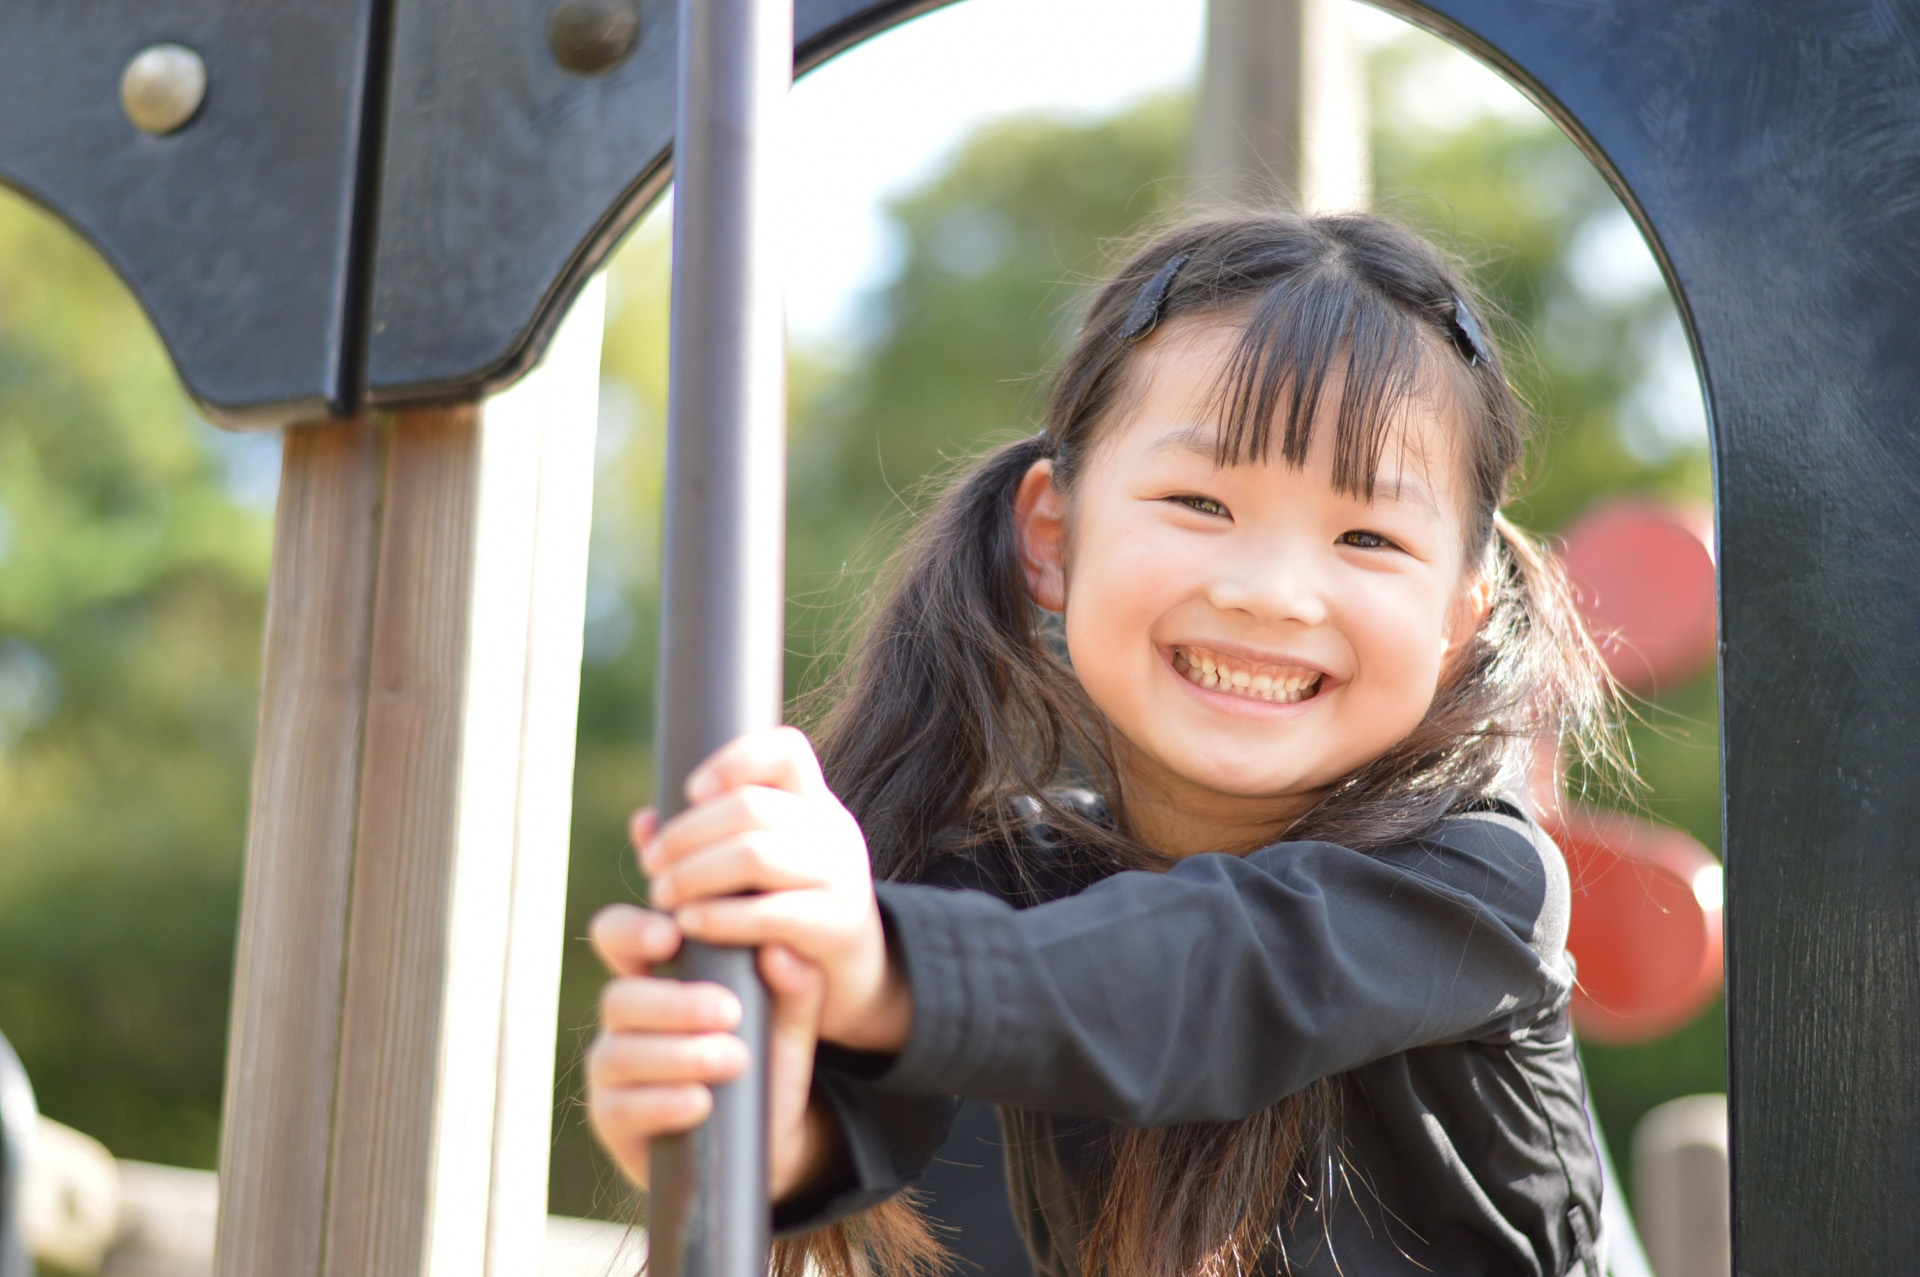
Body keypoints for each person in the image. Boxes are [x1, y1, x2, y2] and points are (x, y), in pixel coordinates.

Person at [585, 211, 1620, 1277]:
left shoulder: (1475, 878)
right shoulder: (1010, 885)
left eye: (1367, 536)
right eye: (1200, 501)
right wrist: (740, 1123)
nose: (1269, 591)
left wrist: (879, 962)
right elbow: (844, 1116)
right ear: (1053, 537)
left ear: (1458, 619)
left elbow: (1207, 976)